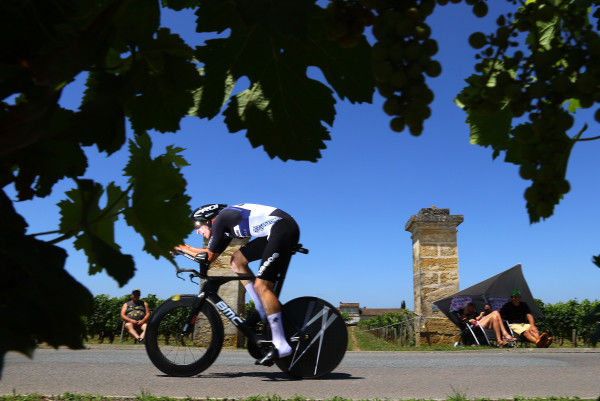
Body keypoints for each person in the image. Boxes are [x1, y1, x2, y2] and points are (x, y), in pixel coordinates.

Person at [174, 203, 300, 365]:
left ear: (209, 219)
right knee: (237, 261)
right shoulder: (225, 228)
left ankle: (281, 345)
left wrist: (181, 247)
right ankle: (261, 309)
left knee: (262, 286)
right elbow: (210, 259)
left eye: (198, 225)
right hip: (275, 230)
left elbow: (208, 257)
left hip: (282, 228)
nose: (198, 231)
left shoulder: (221, 220)